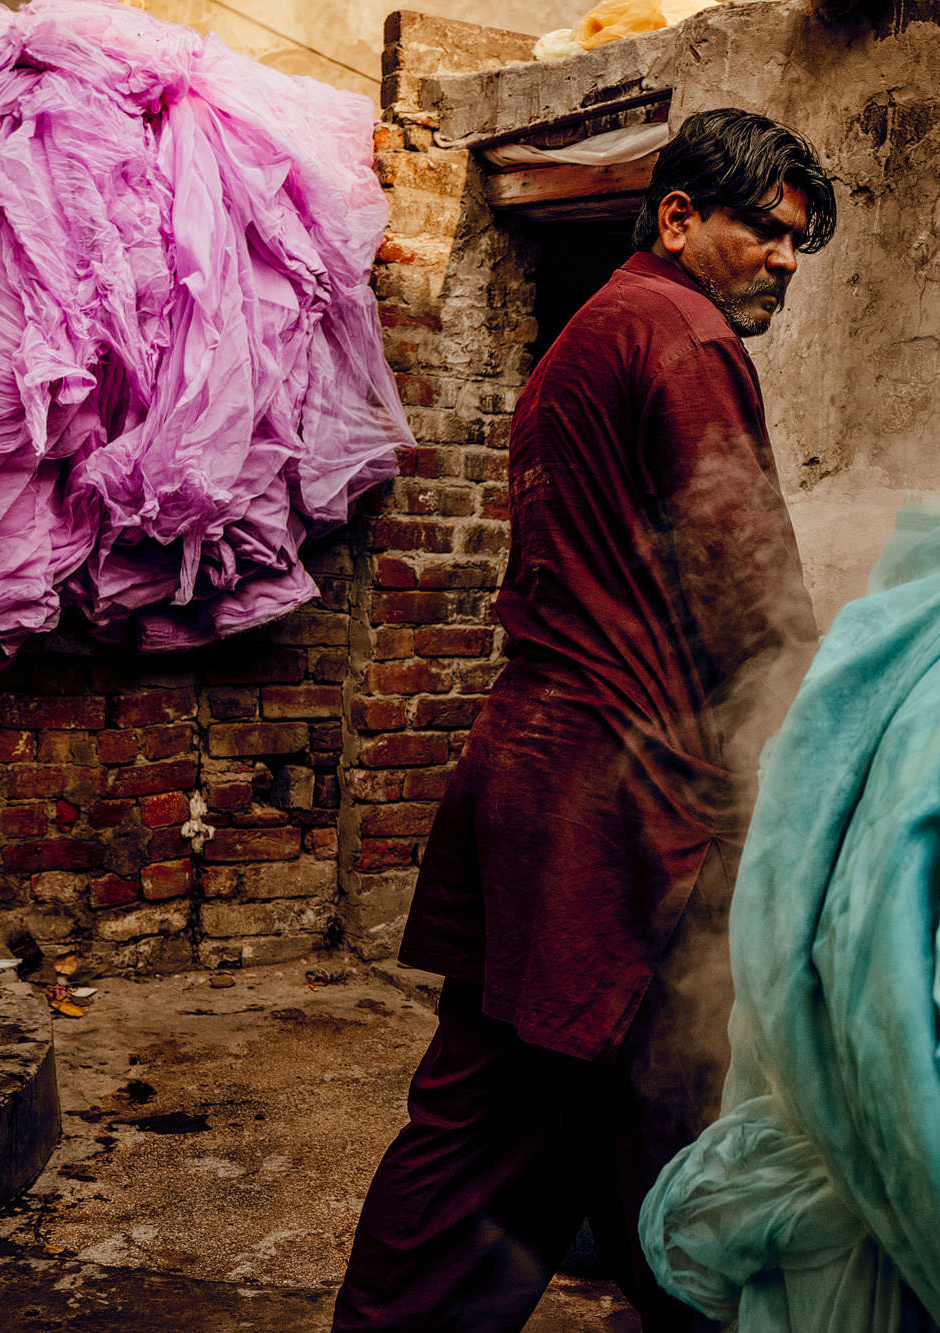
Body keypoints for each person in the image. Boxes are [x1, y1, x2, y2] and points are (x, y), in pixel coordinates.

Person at [331, 108, 837, 1332]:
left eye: (795, 244)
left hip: (531, 771)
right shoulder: (684, 336)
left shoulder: (587, 336)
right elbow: (744, 579)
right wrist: (829, 734)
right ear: (677, 216)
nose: (783, 260)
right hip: (626, 798)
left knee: (492, 1113)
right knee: (665, 1115)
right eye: (765, 232)